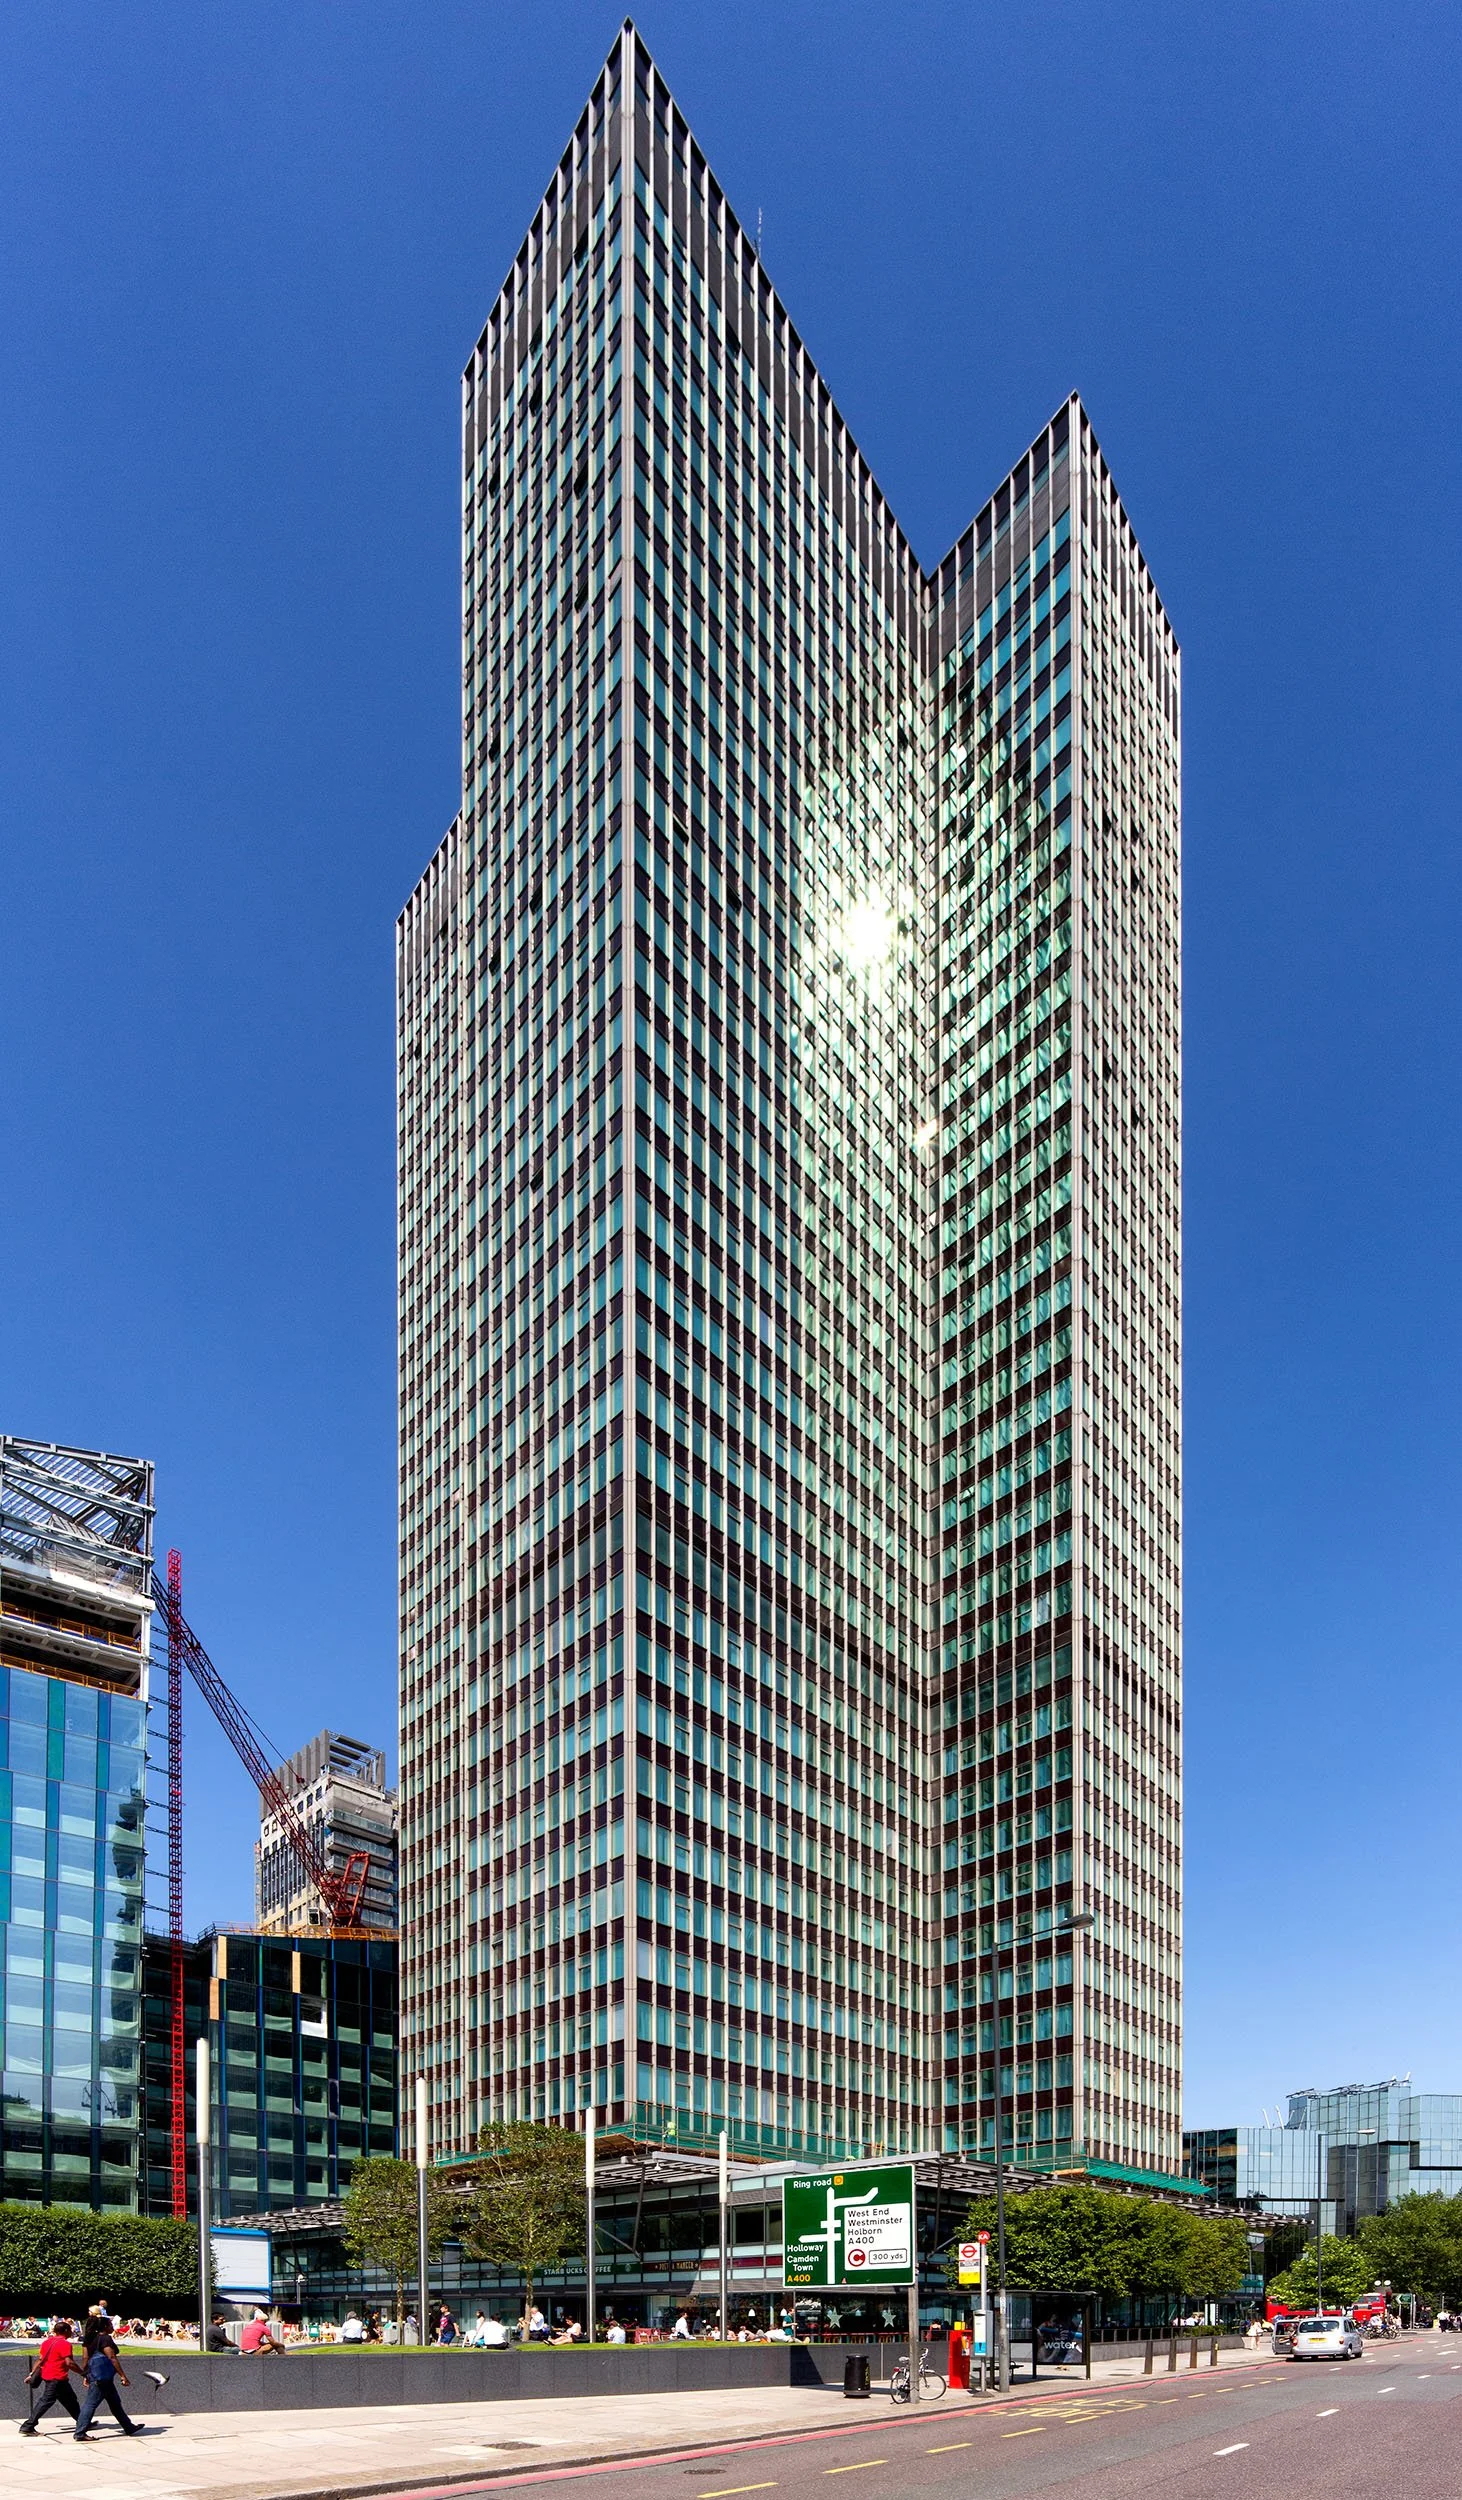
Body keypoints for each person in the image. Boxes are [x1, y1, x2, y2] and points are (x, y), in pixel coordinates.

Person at [73, 2324, 139, 2440]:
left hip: (97, 2376)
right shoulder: (105, 2338)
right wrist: (123, 2375)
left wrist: (86, 2375)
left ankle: (128, 2426)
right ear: (104, 2326)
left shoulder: (88, 2338)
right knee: (90, 2404)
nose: (112, 2326)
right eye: (109, 2324)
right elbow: (112, 2357)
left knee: (115, 2404)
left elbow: (85, 2358)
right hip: (102, 2378)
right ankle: (80, 2432)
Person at [19, 2317, 83, 2433]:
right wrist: (83, 2373)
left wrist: (32, 2374)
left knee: (70, 2400)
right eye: (70, 2330)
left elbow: (40, 2360)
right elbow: (69, 2363)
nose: (71, 2332)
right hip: (57, 2377)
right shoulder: (65, 2344)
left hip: (51, 2376)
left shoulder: (46, 2342)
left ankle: (83, 2421)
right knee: (45, 2401)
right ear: (65, 2331)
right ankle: (28, 2426)